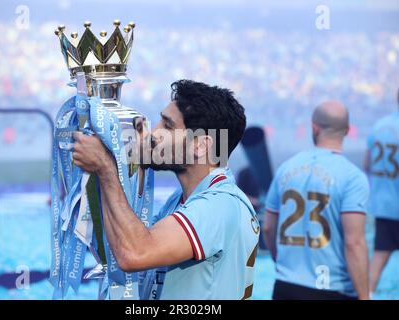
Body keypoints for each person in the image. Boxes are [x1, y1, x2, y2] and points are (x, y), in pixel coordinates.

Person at [72, 79, 260, 299]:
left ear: (200, 145)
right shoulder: (183, 200)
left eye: (167, 126)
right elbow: (130, 239)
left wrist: (105, 168)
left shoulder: (218, 205)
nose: (154, 133)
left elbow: (134, 254)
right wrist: (125, 163)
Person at [263, 100, 370, 300]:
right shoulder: (353, 177)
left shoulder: (285, 169)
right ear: (347, 130)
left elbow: (268, 227)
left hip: (286, 285)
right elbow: (354, 243)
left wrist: (282, 263)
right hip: (331, 287)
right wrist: (365, 296)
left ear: (314, 128)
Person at [365, 89, 399, 296]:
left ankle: (365, 294)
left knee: (379, 256)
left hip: (383, 205)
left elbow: (367, 164)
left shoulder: (379, 126)